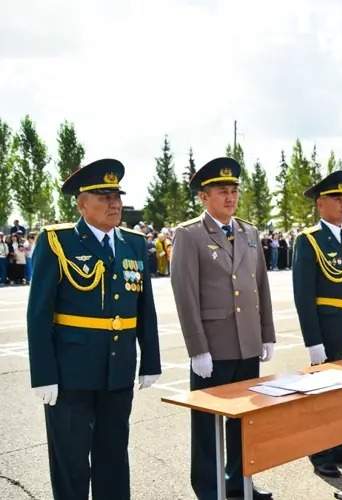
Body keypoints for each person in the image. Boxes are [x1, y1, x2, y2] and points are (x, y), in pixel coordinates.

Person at [26, 158, 161, 499]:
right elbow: (39, 314)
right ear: (82, 203)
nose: (115, 203)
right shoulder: (59, 242)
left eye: (116, 195)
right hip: (71, 373)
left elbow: (145, 308)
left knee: (114, 456)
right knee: (70, 461)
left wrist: (150, 361)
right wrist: (43, 373)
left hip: (117, 371)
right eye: (104, 197)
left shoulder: (132, 243)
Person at [170, 157, 276, 500]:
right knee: (207, 425)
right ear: (204, 197)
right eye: (222, 191)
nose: (230, 197)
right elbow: (185, 294)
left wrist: (267, 333)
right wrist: (197, 348)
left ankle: (239, 482)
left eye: (234, 191)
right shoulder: (189, 235)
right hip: (213, 347)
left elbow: (260, 284)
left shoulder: (249, 232)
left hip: (246, 342)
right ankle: (208, 488)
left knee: (244, 421)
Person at [292, 170, 342, 478]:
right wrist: (313, 342)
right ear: (320, 204)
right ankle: (321, 452)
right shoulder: (309, 241)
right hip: (325, 329)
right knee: (324, 394)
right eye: (336, 199)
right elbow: (304, 294)